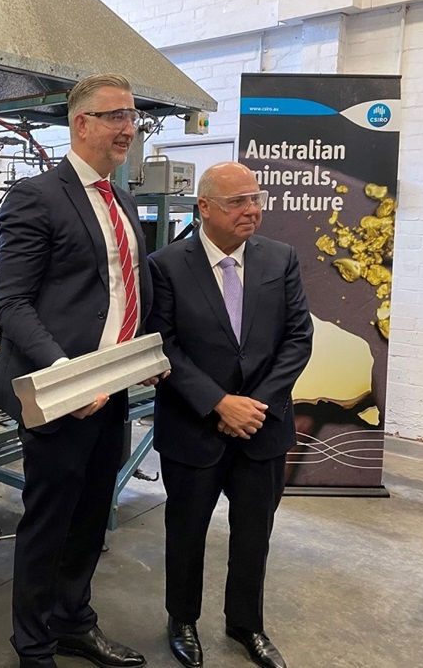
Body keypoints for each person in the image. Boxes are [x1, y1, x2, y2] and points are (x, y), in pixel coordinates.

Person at [0, 73, 161, 668]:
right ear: (80, 123)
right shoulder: (38, 195)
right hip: (64, 390)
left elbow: (119, 288)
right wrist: (67, 376)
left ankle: (72, 622)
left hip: (110, 385)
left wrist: (144, 355)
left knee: (91, 516)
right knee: (50, 520)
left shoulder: (123, 197)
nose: (128, 128)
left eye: (132, 116)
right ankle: (33, 645)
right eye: (116, 115)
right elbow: (10, 302)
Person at [147, 162, 313, 668]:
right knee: (187, 529)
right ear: (204, 207)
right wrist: (219, 403)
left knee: (252, 534)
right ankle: (183, 619)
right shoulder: (166, 265)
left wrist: (251, 407)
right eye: (238, 201)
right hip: (193, 427)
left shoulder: (280, 259)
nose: (252, 211)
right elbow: (163, 345)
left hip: (262, 429)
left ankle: (246, 625)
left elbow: (297, 339)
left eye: (256, 199)